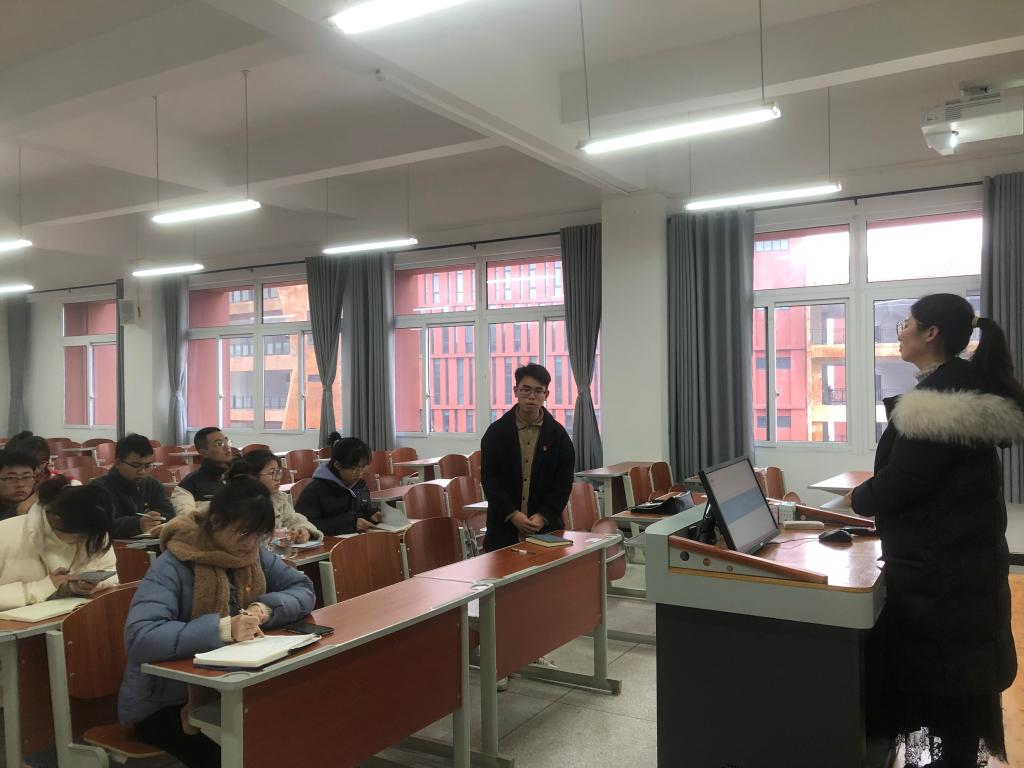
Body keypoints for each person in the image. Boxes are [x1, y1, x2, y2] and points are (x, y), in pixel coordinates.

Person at [848, 294, 1022, 768]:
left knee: (949, 695)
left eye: (906, 324)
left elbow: (905, 481)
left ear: (931, 334)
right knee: (958, 696)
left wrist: (855, 500)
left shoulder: (936, 404)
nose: (899, 333)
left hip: (943, 576)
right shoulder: (961, 387)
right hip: (960, 567)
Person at [118, 478, 315, 768]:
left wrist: (265, 608)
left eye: (258, 535)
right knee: (236, 755)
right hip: (166, 701)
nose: (250, 543)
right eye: (243, 533)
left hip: (234, 687)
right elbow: (141, 637)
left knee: (293, 732)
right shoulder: (174, 563)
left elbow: (303, 589)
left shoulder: (253, 555)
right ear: (216, 521)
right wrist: (223, 629)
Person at [480, 362, 575, 552]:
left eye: (538, 391)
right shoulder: (496, 433)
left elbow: (563, 484)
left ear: (546, 395)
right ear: (516, 391)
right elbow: (490, 480)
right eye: (526, 390)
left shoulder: (558, 436)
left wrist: (543, 516)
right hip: (503, 528)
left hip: (546, 530)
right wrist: (512, 514)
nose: (531, 396)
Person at [0, 476, 118, 611]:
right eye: (80, 537)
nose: (84, 542)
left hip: (73, 615)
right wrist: (41, 588)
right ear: (57, 520)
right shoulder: (6, 534)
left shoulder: (94, 531)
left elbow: (111, 572)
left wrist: (81, 586)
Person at [90, 433, 175, 538]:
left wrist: (155, 520)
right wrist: (137, 524)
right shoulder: (98, 489)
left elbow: (169, 514)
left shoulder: (153, 485)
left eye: (147, 466)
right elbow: (97, 526)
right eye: (136, 465)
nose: (142, 471)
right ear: (118, 463)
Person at [225, 451, 322, 542]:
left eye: (278, 472)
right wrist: (281, 535)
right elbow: (250, 539)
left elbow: (293, 519)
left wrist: (303, 529)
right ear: (252, 477)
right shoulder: (240, 503)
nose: (278, 478)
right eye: (272, 473)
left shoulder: (277, 497)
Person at [294, 437, 381, 535]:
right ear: (338, 465)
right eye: (354, 468)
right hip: (329, 542)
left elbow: (361, 513)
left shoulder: (359, 485)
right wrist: (350, 524)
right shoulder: (314, 490)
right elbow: (304, 526)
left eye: (362, 467)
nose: (360, 473)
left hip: (358, 538)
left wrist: (371, 515)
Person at [6, 430, 80, 514]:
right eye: (32, 464)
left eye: (42, 463)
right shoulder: (9, 482)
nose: (37, 470)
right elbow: (20, 510)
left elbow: (74, 484)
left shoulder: (50, 478)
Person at [171, 427, 232, 518]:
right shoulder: (188, 485)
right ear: (204, 452)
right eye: (220, 444)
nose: (227, 447)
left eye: (227, 442)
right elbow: (187, 518)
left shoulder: (240, 476)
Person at [0, 449, 38, 520]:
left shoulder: (40, 502)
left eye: (26, 477)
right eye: (11, 478)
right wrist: (18, 513)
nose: (20, 484)